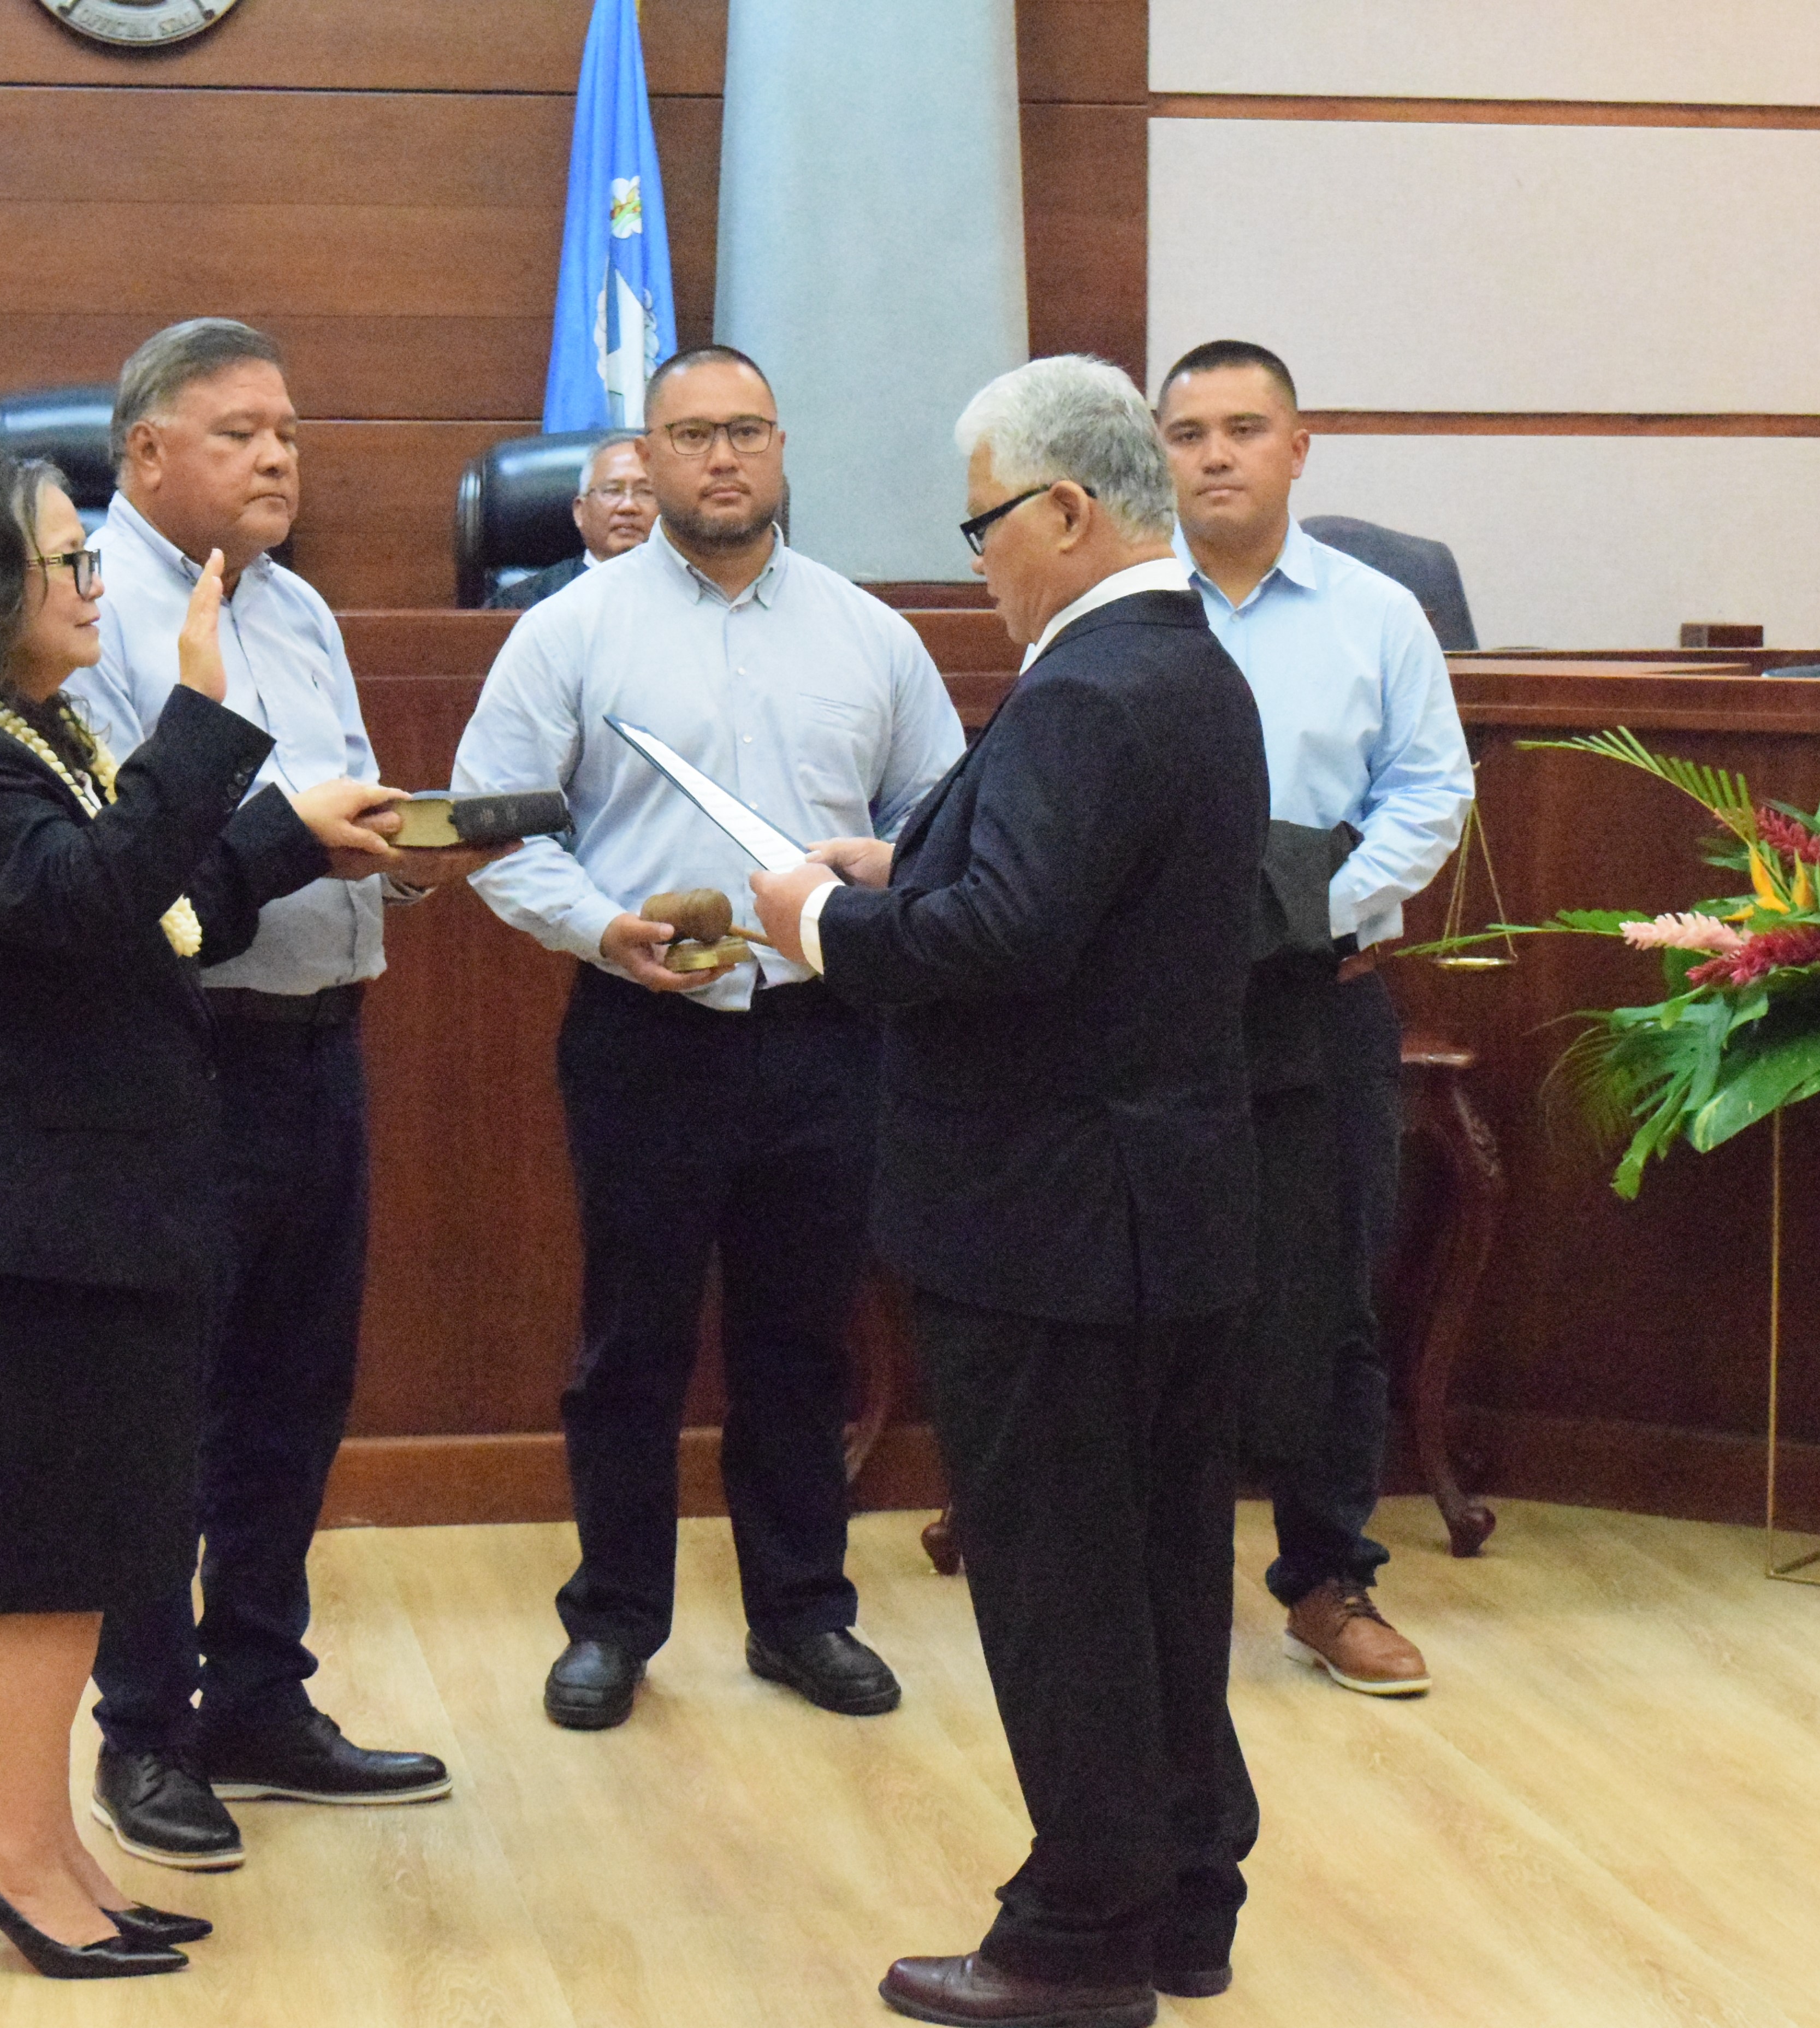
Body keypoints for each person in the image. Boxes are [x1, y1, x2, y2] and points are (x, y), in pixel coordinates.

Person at [0, 452, 400, 1976]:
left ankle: (43, 1844)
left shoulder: (32, 739)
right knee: (24, 1547)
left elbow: (164, 921)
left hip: (73, 1214)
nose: (94, 584)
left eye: (88, 556)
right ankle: (10, 1852)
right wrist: (206, 720)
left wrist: (291, 837)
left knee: (74, 1543)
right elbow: (91, 902)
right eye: (65, 561)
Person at [752, 354, 1270, 2027]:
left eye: (980, 525)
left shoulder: (1088, 687)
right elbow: (1068, 898)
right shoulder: (1180, 662)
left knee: (1058, 1582)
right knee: (1158, 1564)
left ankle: (1074, 1934)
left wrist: (819, 925)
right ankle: (1185, 1887)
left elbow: (1003, 940)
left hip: (1048, 1218)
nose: (971, 560)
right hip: (1160, 1201)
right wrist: (904, 869)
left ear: (1059, 508)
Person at [453, 343, 967, 1733]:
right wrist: (600, 925)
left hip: (825, 1031)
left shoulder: (871, 632)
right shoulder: (568, 629)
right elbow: (492, 828)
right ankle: (613, 1621)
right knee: (632, 1340)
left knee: (802, 1344)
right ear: (646, 462)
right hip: (643, 1030)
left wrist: (882, 870)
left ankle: (803, 1615)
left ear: (783, 447)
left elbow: (950, 813)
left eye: (744, 431)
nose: (721, 459)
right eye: (690, 437)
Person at [64, 319, 484, 1871]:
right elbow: (126, 867)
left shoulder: (296, 604)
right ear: (145, 452)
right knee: (161, 1415)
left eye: (290, 431)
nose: (277, 458)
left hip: (320, 1048)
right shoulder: (89, 614)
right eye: (238, 430)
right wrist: (302, 837)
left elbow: (319, 811)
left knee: (290, 1403)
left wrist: (409, 836)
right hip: (181, 1061)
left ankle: (257, 1696)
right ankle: (145, 1730)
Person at [1157, 339, 1473, 1698]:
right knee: (1143, 1282)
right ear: (1155, 455)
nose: (1215, 454)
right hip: (1154, 1015)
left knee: (1326, 1296)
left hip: (1322, 996)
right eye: (1187, 433)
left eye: (1244, 427)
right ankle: (1141, 1573)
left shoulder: (1376, 612)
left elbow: (1428, 793)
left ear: (1300, 447)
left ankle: (1327, 1575)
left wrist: (1306, 913)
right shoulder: (1123, 611)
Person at [486, 432, 657, 609]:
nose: (628, 506)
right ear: (580, 512)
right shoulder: (524, 603)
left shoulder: (685, 592)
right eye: (612, 491)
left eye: (646, 492)